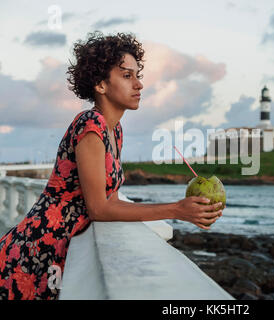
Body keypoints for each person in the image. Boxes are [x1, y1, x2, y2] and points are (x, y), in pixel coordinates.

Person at [0, 31, 223, 300]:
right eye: (127, 76)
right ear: (100, 84)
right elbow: (99, 208)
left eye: (138, 75)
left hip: (54, 252)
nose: (139, 84)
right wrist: (177, 209)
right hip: (34, 252)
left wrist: (184, 208)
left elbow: (112, 199)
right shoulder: (90, 126)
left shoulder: (113, 130)